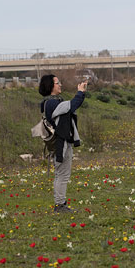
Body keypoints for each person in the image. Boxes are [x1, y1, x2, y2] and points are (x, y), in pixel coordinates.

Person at [38, 74, 88, 213]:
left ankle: (60, 203)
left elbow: (70, 106)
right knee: (62, 175)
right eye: (57, 82)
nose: (60, 84)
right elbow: (71, 105)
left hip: (61, 142)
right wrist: (80, 92)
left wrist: (80, 93)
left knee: (61, 174)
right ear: (50, 86)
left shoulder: (52, 102)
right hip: (61, 143)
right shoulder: (52, 103)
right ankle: (60, 205)